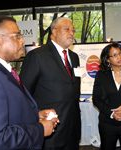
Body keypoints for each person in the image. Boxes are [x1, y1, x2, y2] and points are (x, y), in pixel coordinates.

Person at [0, 16, 59, 150]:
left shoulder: (2, 72)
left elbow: (8, 113)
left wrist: (35, 115)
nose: (22, 41)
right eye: (16, 36)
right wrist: (39, 129)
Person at [20, 17, 81, 150]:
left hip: (73, 127)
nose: (72, 33)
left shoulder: (74, 57)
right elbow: (23, 93)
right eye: (67, 29)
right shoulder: (37, 56)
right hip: (51, 128)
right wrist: (36, 117)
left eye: (73, 30)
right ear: (54, 31)